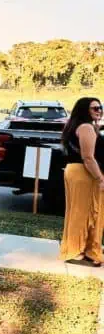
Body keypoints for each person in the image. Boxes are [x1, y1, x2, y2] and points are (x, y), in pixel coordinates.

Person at [59, 97, 104, 267]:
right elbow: (88, 157)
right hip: (84, 173)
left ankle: (84, 249)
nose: (99, 111)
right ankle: (76, 251)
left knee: (81, 212)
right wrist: (100, 178)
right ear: (85, 110)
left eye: (100, 107)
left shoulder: (78, 126)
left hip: (77, 171)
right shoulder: (86, 127)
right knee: (85, 213)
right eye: (95, 108)